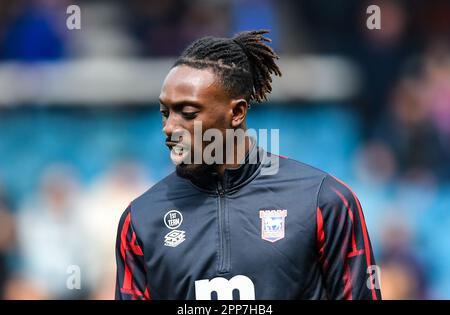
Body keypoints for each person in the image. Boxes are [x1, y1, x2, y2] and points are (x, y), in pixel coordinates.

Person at [115, 30, 382, 300]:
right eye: (165, 112)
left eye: (188, 113)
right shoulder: (141, 219)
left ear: (237, 113)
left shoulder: (324, 201)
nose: (170, 127)